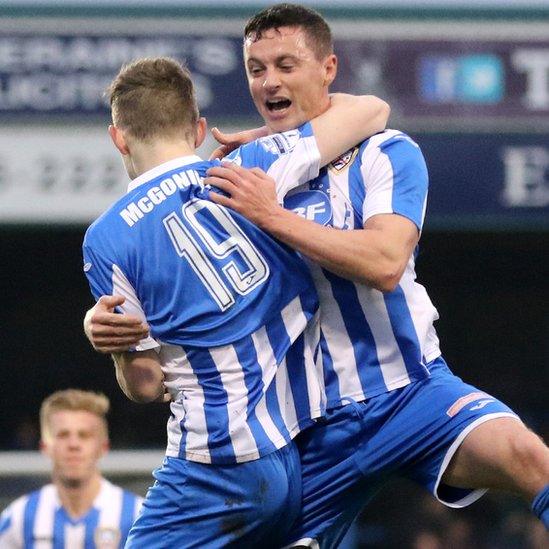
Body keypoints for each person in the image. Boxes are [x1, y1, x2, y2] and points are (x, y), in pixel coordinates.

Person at [85, 5, 549, 547]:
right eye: (256, 70)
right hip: (309, 426)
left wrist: (274, 216)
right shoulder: (247, 168)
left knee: (530, 458)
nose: (269, 81)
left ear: (328, 68)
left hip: (408, 391)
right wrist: (112, 331)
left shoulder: (386, 152)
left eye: (286, 65)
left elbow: (384, 262)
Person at [81, 56, 389, 548]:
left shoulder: (107, 239)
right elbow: (372, 109)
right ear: (199, 128)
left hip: (212, 462)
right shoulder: (244, 170)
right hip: (289, 448)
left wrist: (114, 345)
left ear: (118, 137)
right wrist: (266, 139)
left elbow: (144, 384)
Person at [0, 389, 142, 549]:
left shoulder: (137, 516)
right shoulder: (19, 518)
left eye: (84, 435)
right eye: (63, 435)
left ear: (103, 447)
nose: (73, 444)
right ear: (45, 447)